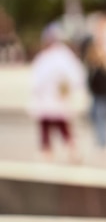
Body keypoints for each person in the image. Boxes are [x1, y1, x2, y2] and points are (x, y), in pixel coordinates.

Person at [29, 22, 86, 163]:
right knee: (54, 125)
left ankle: (61, 151)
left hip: (54, 97)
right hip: (52, 98)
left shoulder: (56, 56)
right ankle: (62, 150)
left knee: (55, 125)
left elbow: (37, 80)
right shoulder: (57, 56)